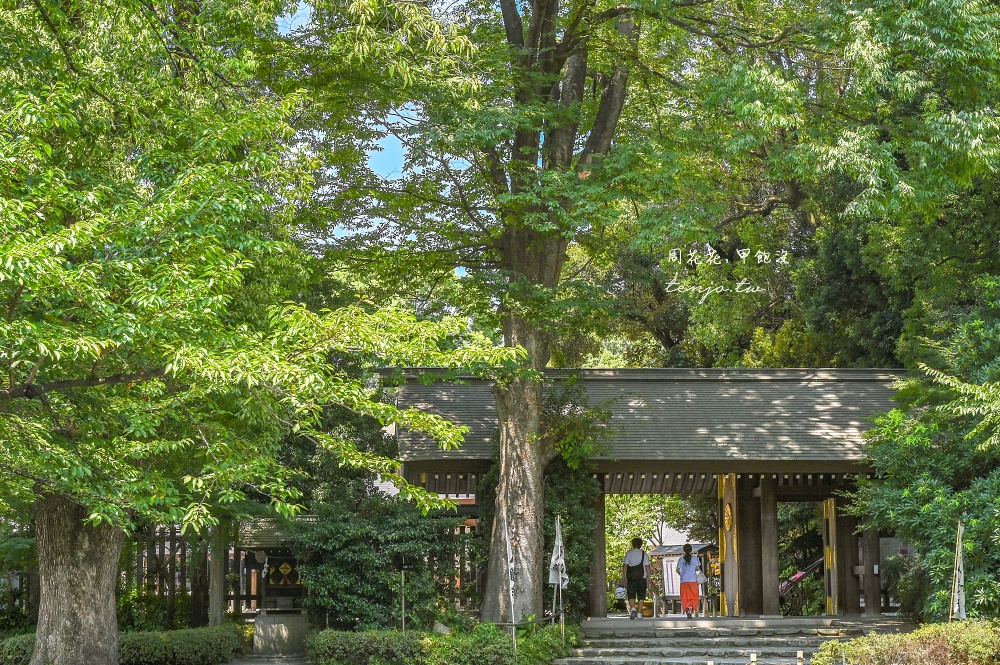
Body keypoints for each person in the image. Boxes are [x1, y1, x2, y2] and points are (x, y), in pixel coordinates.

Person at [621, 537, 653, 620]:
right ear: (640, 545)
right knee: (641, 596)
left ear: (632, 544)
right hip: (642, 578)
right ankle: (639, 613)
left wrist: (623, 576)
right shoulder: (643, 553)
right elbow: (647, 566)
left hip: (631, 577)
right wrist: (649, 576)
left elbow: (625, 565)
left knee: (631, 595)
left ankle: (633, 609)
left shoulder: (629, 553)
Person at [676, 543, 702, 618]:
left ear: (684, 550)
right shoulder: (695, 559)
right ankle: (690, 608)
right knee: (694, 596)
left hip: (683, 581)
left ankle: (687, 607)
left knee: (685, 596)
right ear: (691, 550)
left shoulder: (681, 559)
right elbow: (698, 569)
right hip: (693, 580)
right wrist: (698, 577)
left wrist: (682, 575)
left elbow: (677, 570)